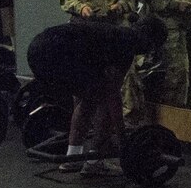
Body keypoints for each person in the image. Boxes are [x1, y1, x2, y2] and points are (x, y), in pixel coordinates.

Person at [27, 16, 167, 177]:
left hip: (36, 51)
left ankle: (72, 158)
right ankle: (93, 162)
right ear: (150, 43)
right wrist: (123, 140)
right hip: (56, 54)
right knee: (105, 101)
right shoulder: (127, 45)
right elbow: (113, 96)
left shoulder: (115, 35)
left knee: (89, 99)